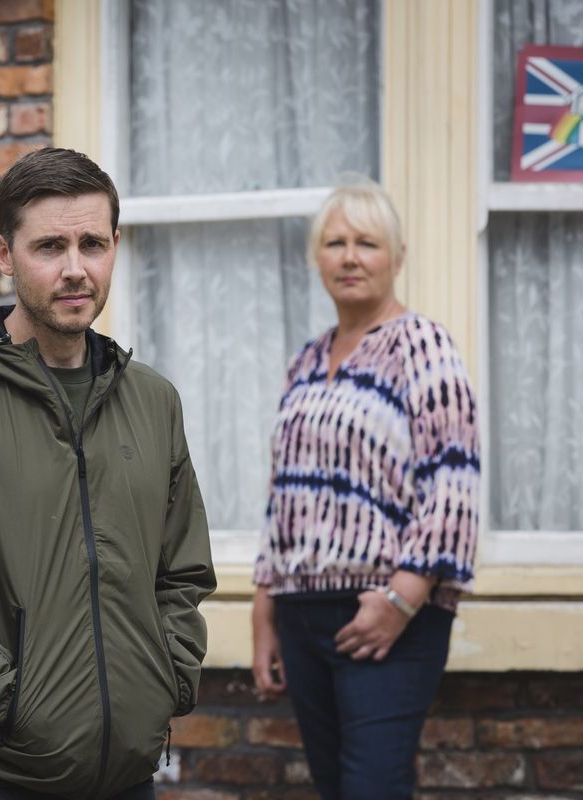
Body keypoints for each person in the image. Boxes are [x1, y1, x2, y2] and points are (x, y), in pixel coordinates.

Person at [0, 147, 216, 800]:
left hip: (129, 780)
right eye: (50, 246)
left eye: (92, 244)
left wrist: (165, 678)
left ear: (116, 245)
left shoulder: (152, 400)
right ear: (4, 253)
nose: (76, 269)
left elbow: (182, 571)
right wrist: (12, 699)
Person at [250, 179, 479, 800]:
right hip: (300, 613)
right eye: (336, 242)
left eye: (368, 243)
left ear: (397, 258)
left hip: (389, 614)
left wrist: (402, 600)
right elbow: (282, 493)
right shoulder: (305, 361)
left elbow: (454, 487)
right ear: (316, 258)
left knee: (371, 788)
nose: (350, 257)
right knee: (334, 786)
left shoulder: (424, 348)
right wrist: (265, 611)